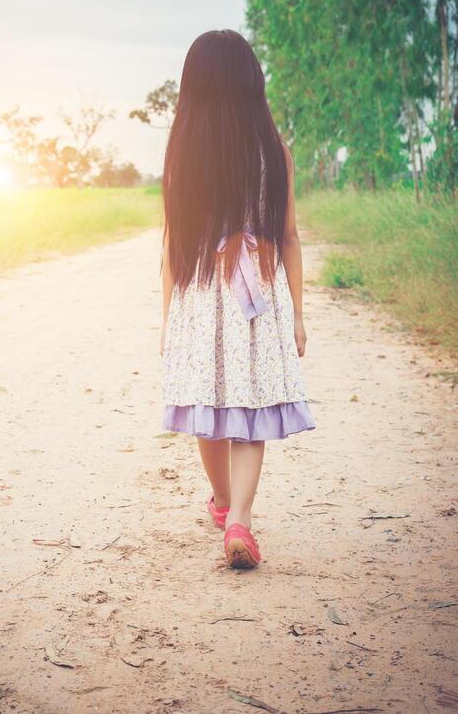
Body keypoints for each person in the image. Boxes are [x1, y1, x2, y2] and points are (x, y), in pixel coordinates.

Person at [160, 29, 316, 570]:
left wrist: (168, 325)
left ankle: (223, 501)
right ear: (253, 83)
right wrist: (296, 313)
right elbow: (291, 237)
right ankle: (240, 521)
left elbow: (172, 247)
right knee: (250, 409)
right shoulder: (276, 152)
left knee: (209, 407)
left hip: (203, 292)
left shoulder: (182, 155)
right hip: (259, 293)